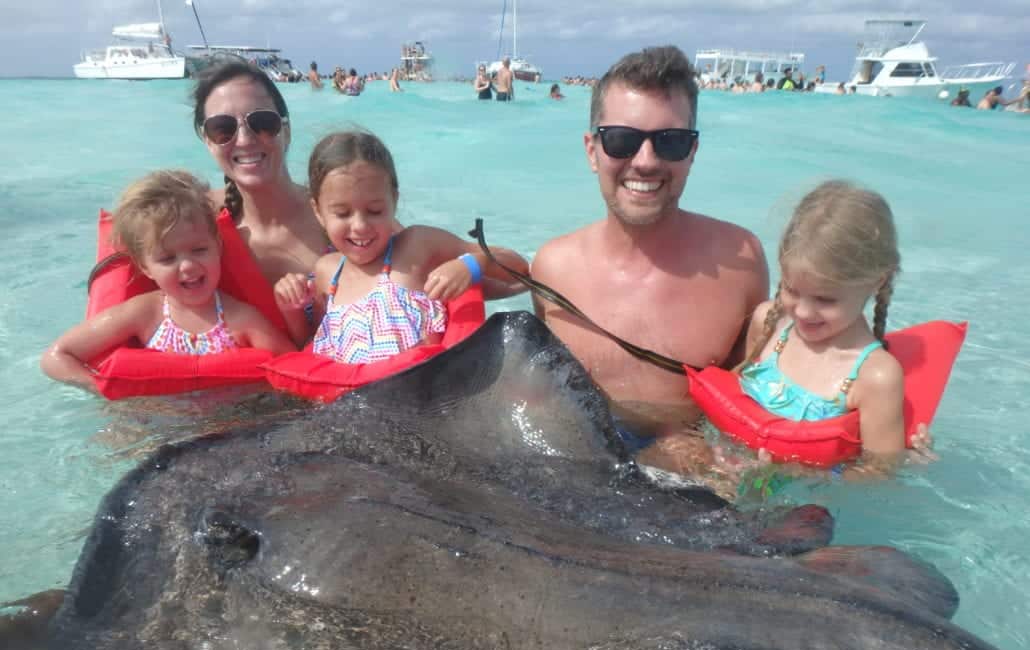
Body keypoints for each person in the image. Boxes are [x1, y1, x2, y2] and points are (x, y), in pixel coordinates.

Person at [531, 45, 769, 446]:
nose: (645, 161)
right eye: (622, 140)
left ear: (692, 152)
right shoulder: (553, 270)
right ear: (592, 151)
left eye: (670, 141)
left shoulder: (740, 261)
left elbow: (757, 395)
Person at [273, 131, 531, 354]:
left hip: (422, 399)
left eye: (375, 211)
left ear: (394, 201)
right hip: (350, 406)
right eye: (342, 214)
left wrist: (471, 265)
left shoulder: (416, 247)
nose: (360, 225)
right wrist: (291, 308)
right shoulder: (326, 273)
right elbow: (313, 343)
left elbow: (519, 270)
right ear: (318, 212)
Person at [41, 171, 294, 390]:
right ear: (145, 267)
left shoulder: (241, 320)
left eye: (199, 250)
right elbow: (57, 357)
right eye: (167, 258)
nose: (187, 265)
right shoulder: (145, 313)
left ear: (217, 246)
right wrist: (103, 391)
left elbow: (294, 367)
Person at [737, 180, 905, 462]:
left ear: (877, 282)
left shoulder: (875, 377)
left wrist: (785, 470)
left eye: (825, 300)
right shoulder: (768, 322)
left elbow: (878, 475)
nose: (802, 312)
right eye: (791, 289)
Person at [192, 61, 328, 289]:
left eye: (262, 123)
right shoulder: (196, 218)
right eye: (222, 128)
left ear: (286, 130)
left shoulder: (337, 216)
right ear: (208, 142)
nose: (244, 140)